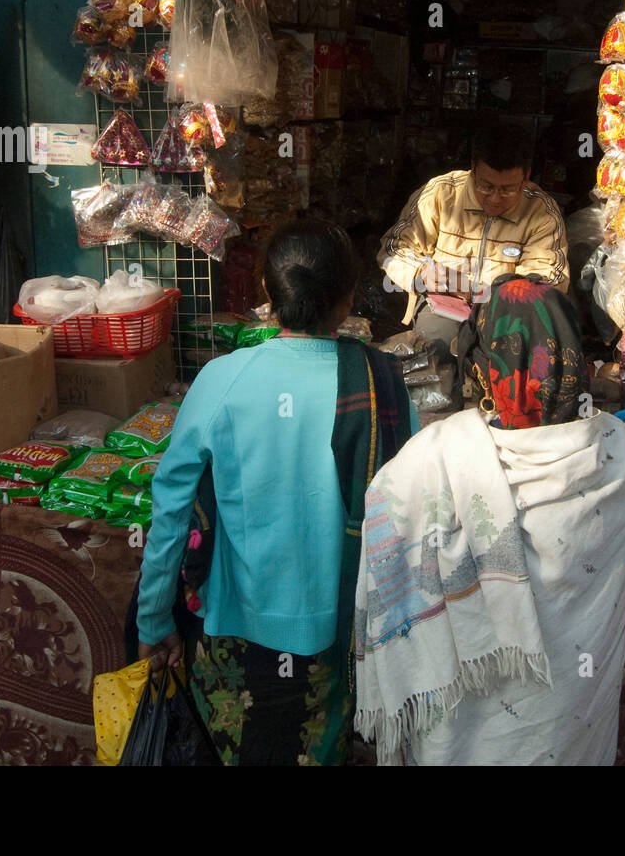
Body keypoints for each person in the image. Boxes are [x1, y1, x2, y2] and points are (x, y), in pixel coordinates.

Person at [136, 219, 417, 765]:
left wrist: (153, 621)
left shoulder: (224, 378)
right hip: (346, 632)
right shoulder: (380, 381)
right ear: (348, 299)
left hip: (239, 631)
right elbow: (408, 502)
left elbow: (170, 508)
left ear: (268, 295)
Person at [353, 276, 625, 765]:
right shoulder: (617, 452)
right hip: (570, 720)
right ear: (575, 354)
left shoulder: (431, 459)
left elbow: (385, 531)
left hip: (465, 734)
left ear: (486, 368)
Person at [377, 134, 569, 372]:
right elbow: (394, 248)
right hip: (442, 305)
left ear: (526, 178)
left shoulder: (542, 211)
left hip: (505, 313)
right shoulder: (440, 193)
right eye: (486, 186)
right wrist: (421, 274)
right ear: (473, 170)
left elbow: (550, 279)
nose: (495, 198)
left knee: (510, 361)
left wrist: (484, 293)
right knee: (435, 348)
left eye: (508, 189)